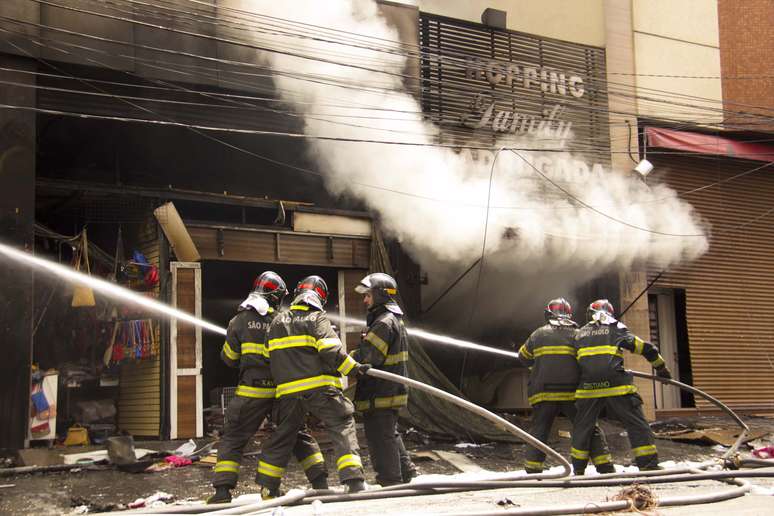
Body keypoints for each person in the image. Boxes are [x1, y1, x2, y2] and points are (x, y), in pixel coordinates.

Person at [208, 272, 328, 504]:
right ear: (276, 297)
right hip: (281, 392)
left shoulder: (238, 321)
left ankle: (222, 492)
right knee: (297, 434)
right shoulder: (283, 320)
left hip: (251, 392)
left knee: (234, 438)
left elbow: (229, 359)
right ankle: (318, 484)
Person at [257, 275, 369, 497]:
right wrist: (355, 369)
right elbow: (331, 351)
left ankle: (268, 487)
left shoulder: (276, 322)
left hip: (288, 394)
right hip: (320, 389)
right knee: (342, 423)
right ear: (320, 297)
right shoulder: (317, 318)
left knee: (284, 435)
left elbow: (266, 357)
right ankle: (353, 480)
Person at [571, 299, 672, 474]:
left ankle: (578, 469)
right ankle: (648, 464)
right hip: (616, 385)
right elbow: (644, 348)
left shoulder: (579, 334)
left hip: (588, 387)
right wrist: (661, 368)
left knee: (583, 427)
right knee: (636, 423)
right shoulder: (616, 327)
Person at [518, 298, 613, 474]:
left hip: (543, 393)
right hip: (572, 393)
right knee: (587, 426)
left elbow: (523, 357)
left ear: (548, 314)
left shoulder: (538, 334)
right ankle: (604, 465)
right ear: (569, 314)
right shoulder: (578, 334)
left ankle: (533, 468)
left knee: (540, 429)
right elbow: (586, 360)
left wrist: (539, 366)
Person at [352, 273, 417, 486]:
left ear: (380, 295)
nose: (365, 300)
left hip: (381, 391)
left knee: (380, 437)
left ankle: (390, 481)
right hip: (388, 390)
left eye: (368, 295)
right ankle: (406, 472)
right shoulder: (390, 319)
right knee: (388, 432)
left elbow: (368, 357)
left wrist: (341, 357)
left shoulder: (383, 323)